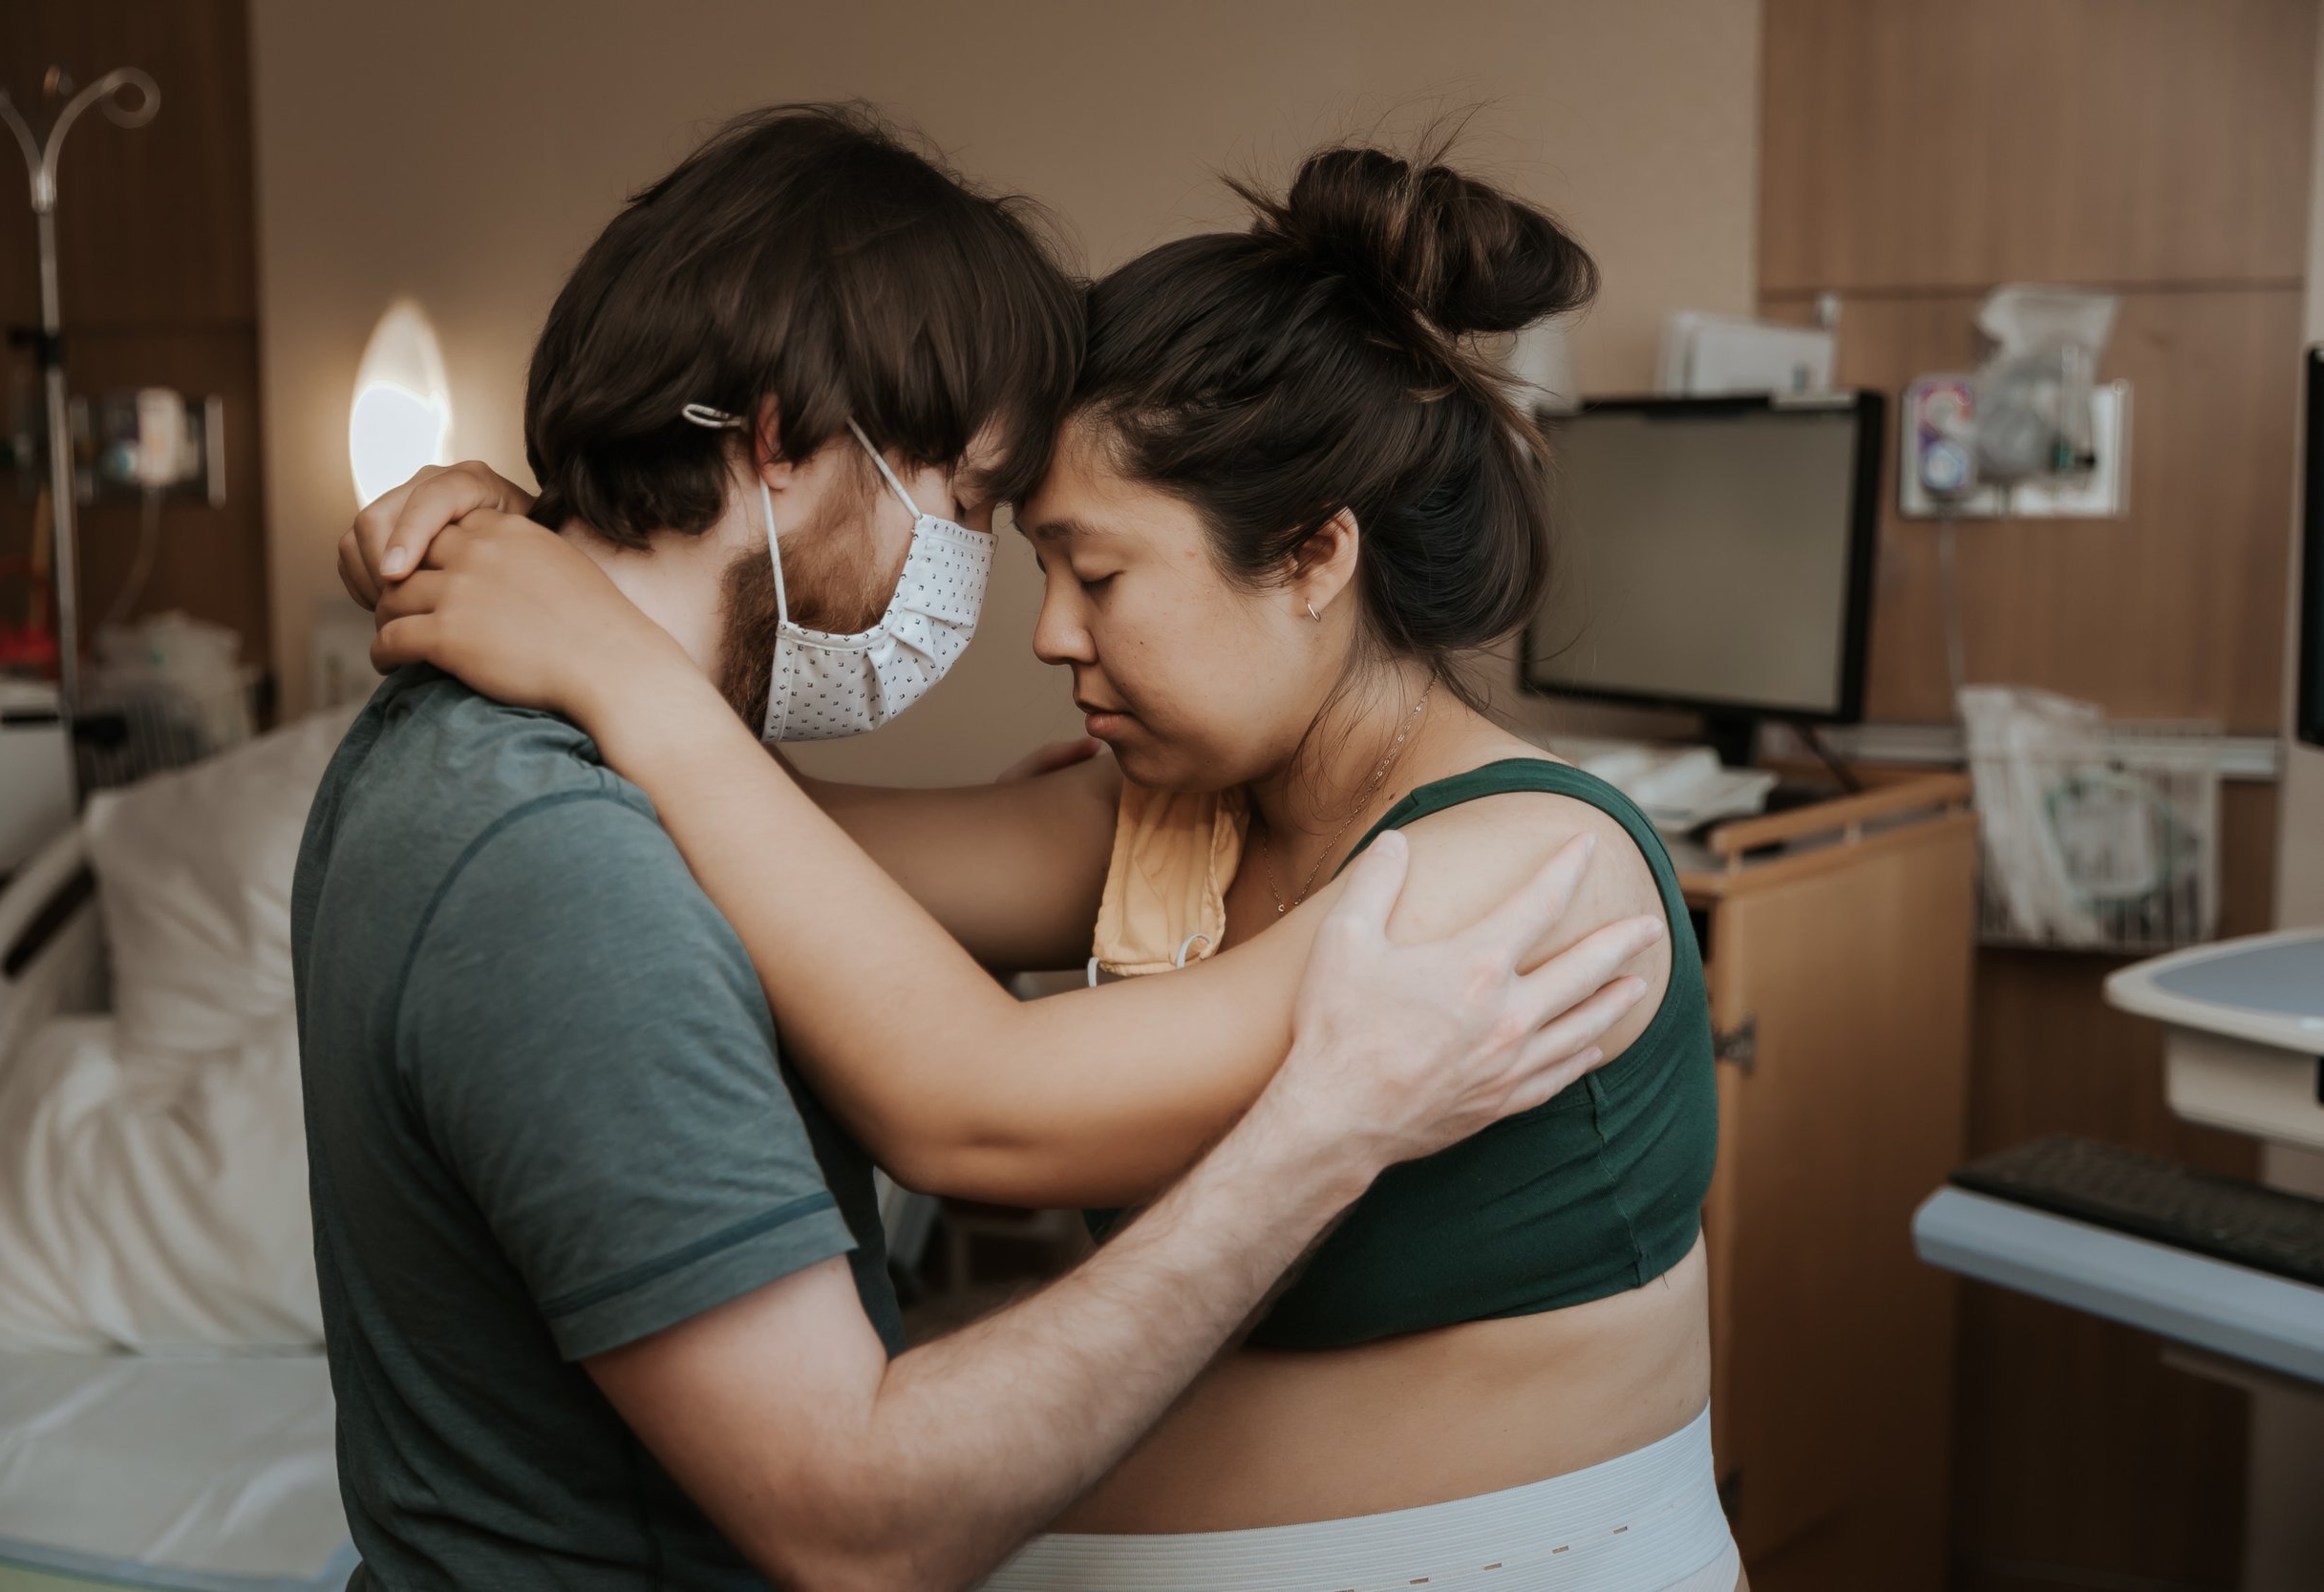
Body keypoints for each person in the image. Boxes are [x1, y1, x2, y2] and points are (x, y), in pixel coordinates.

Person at [352, 121, 1744, 1590]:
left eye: (1100, 572)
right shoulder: (1162, 825)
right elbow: (759, 853)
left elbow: (974, 1107)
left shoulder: (1532, 873)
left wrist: (618, 674)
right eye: (1037, 567)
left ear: (1311, 560)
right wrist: (565, 567)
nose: (1051, 633)